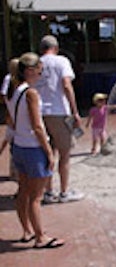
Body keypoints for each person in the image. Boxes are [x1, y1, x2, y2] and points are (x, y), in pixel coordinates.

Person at [5, 52, 64, 249]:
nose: (41, 75)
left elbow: (11, 120)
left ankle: (27, 231)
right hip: (32, 148)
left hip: (19, 146)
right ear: (29, 71)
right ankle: (41, 237)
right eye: (39, 72)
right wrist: (48, 151)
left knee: (23, 192)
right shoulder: (31, 93)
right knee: (36, 197)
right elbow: (37, 126)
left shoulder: (14, 91)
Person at [35, 35, 84, 203]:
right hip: (59, 111)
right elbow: (66, 84)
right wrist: (75, 111)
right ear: (56, 48)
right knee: (65, 154)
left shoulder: (36, 63)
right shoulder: (61, 61)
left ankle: (48, 191)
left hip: (40, 112)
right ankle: (63, 191)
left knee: (47, 153)